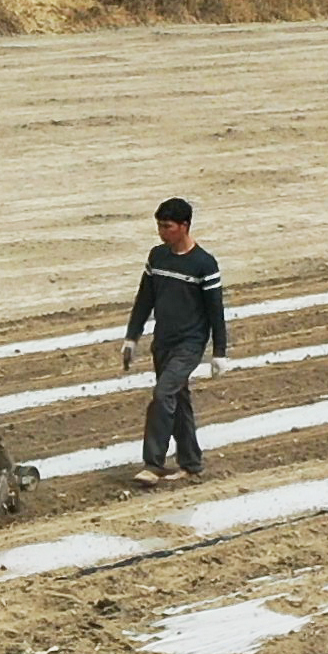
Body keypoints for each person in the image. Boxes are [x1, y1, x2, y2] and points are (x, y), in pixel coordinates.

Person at [120, 196, 228, 484]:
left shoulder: (204, 264)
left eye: (167, 226)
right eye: (159, 226)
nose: (161, 232)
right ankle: (191, 463)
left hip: (189, 344)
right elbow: (144, 299)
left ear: (184, 226)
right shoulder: (157, 257)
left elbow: (215, 310)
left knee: (163, 394)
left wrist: (219, 351)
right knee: (179, 400)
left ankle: (152, 464)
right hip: (163, 342)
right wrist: (132, 337)